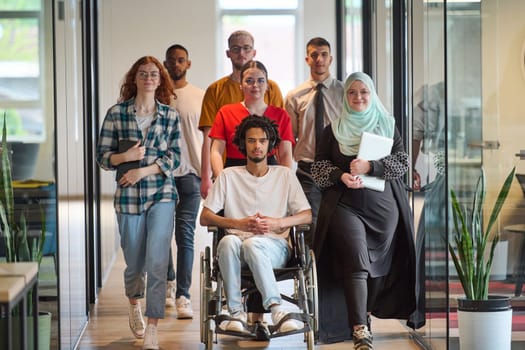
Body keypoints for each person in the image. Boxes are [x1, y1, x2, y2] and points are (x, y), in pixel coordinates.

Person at [311, 72, 417, 348]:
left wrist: (372, 167)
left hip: (384, 210)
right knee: (356, 262)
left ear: (372, 94)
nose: (358, 97)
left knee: (379, 269)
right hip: (346, 206)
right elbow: (318, 168)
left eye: (363, 92)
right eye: (352, 93)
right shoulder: (332, 129)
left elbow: (402, 162)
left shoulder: (387, 125)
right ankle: (359, 329)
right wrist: (341, 175)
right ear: (344, 97)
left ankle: (365, 314)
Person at [96, 56, 180, 350]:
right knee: (135, 262)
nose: (148, 78)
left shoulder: (170, 116)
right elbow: (102, 157)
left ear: (160, 80)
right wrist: (125, 158)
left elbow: (175, 157)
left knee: (158, 260)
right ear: (134, 78)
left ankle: (153, 327)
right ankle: (134, 301)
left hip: (162, 194)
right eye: (143, 73)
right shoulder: (116, 114)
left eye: (154, 74)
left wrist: (142, 169)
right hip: (128, 198)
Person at [200, 115, 312, 335]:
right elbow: (205, 217)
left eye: (262, 140)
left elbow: (306, 215)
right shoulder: (228, 176)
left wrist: (278, 222)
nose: (257, 145)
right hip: (236, 249)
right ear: (243, 144)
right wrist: (238, 224)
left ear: (270, 144)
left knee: (253, 245)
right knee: (228, 240)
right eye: (251, 140)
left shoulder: (285, 175)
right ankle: (235, 313)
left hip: (274, 246)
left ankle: (276, 308)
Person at [199, 30, 284, 199]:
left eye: (246, 48)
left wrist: (284, 178)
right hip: (227, 169)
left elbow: (281, 139)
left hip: (267, 170)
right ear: (228, 53)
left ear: (254, 52)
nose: (241, 53)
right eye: (236, 49)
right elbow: (209, 139)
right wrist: (206, 177)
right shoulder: (215, 90)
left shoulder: (271, 88)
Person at [284, 37, 344, 246]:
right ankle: (314, 270)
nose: (319, 59)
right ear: (307, 59)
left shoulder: (344, 93)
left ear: (331, 59)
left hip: (337, 166)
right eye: (314, 55)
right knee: (312, 222)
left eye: (324, 54)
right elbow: (289, 137)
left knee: (339, 221)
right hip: (307, 169)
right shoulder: (294, 96)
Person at [163, 44, 205, 318]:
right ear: (165, 64)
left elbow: (206, 140)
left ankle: (183, 295)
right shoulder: (158, 96)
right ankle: (167, 282)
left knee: (185, 236)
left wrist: (206, 176)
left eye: (181, 60)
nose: (176, 64)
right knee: (161, 234)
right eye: (172, 60)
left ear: (188, 64)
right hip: (162, 176)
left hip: (191, 175)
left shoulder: (200, 96)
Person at [209, 60, 294, 178]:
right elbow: (216, 151)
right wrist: (220, 179)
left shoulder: (281, 115)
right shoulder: (226, 112)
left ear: (267, 85)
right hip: (233, 173)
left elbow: (285, 154)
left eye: (260, 80)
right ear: (240, 85)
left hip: (269, 174)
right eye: (249, 81)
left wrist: (286, 181)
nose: (255, 85)